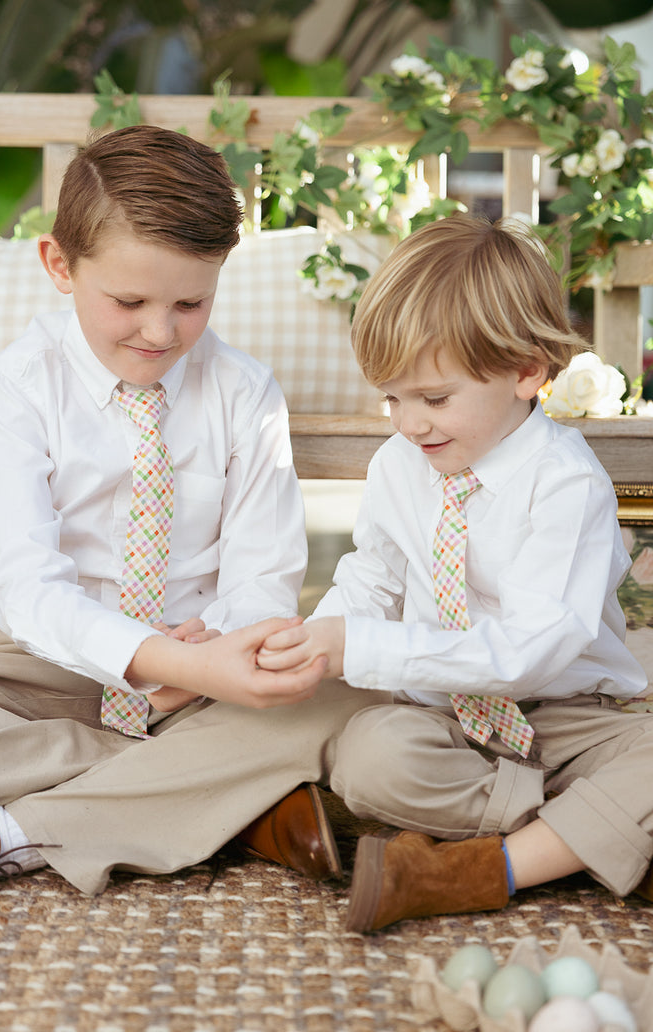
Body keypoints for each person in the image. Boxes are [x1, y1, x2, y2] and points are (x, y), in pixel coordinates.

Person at [0, 124, 378, 907]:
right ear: (59, 266)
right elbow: (24, 590)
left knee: (343, 698)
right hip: (51, 669)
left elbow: (263, 576)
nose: (160, 331)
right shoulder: (13, 391)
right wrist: (154, 662)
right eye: (130, 301)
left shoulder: (244, 394)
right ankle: (217, 801)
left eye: (191, 302)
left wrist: (210, 661)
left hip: (209, 674)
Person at [258, 215, 653, 932]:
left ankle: (480, 868)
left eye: (434, 399)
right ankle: (582, 837)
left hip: (564, 721)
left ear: (528, 372)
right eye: (392, 398)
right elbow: (372, 577)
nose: (410, 423)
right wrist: (320, 638)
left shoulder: (566, 486)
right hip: (448, 724)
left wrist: (368, 647)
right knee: (369, 757)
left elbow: (531, 651)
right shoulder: (400, 465)